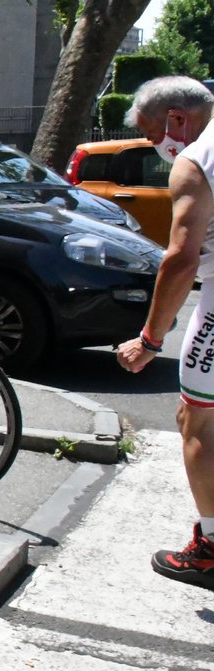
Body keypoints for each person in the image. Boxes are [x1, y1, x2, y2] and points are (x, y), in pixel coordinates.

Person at [116, 75, 214, 590]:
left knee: (198, 422)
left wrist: (151, 339)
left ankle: (211, 550)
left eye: (154, 133)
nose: (158, 146)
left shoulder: (196, 158)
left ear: (177, 118)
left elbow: (181, 258)